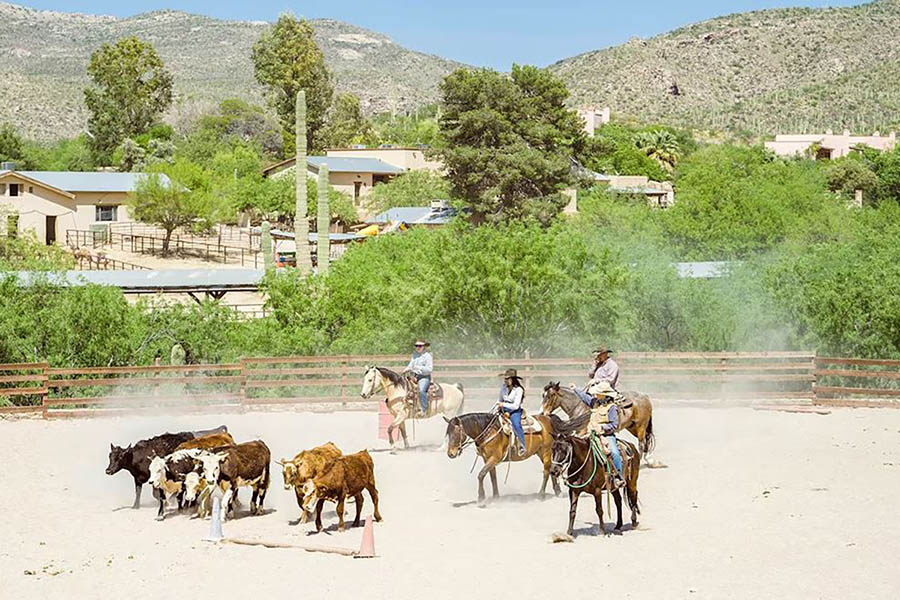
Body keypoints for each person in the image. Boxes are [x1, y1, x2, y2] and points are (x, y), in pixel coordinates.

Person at [589, 391, 625, 490]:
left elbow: (614, 425)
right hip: (591, 433)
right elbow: (585, 398)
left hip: (606, 435)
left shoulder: (612, 408)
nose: (596, 395)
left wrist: (601, 427)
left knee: (614, 453)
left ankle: (618, 476)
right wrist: (575, 389)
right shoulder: (596, 403)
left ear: (605, 395)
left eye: (599, 393)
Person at [495, 368, 526, 456]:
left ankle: (522, 445)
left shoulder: (519, 390)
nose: (505, 381)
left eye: (507, 379)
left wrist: (503, 405)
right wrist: (497, 406)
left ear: (513, 379)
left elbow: (516, 405)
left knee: (516, 424)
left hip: (515, 411)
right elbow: (499, 399)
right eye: (505, 379)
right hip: (503, 409)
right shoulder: (503, 387)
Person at [402, 340, 433, 416]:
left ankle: (424, 409)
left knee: (421, 391)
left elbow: (429, 369)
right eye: (416, 346)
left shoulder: (428, 356)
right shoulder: (414, 355)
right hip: (414, 376)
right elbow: (410, 365)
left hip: (424, 376)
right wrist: (405, 369)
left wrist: (419, 367)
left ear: (424, 347)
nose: (418, 347)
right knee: (404, 387)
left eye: (420, 346)